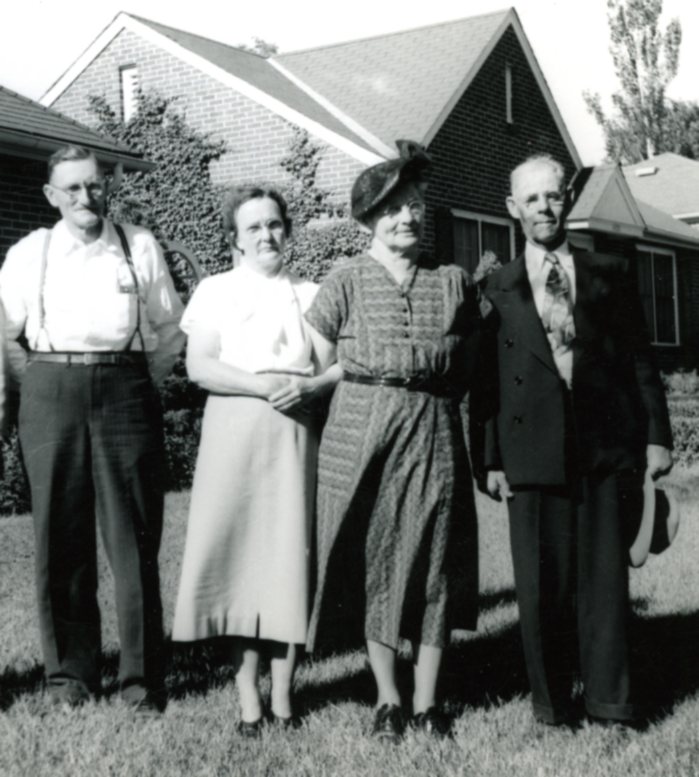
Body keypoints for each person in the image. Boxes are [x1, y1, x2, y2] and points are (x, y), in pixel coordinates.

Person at [470, 154, 673, 727]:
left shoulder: (610, 272)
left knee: (605, 582)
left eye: (553, 195)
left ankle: (611, 703)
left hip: (606, 447)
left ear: (568, 200)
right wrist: (489, 459)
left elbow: (640, 360)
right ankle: (553, 706)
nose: (544, 207)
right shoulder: (496, 288)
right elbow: (484, 385)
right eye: (531, 198)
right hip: (529, 453)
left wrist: (656, 437)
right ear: (512, 207)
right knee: (542, 588)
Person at [304, 141, 481, 741]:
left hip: (433, 427)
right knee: (375, 557)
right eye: (391, 209)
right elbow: (321, 364)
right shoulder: (344, 280)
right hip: (363, 429)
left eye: (414, 205)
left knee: (435, 559)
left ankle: (427, 704)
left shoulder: (452, 282)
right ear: (367, 220)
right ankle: (388, 699)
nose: (407, 217)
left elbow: (468, 366)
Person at [0, 144, 184, 713]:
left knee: (135, 539)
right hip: (51, 389)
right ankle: (69, 679)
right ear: (51, 195)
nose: (86, 197)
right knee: (60, 536)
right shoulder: (31, 252)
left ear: (108, 187)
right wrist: (40, 380)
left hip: (126, 392)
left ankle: (141, 682)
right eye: (73, 188)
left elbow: (170, 329)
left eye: (95, 185)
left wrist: (131, 377)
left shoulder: (139, 245)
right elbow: (5, 334)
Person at [172, 185, 340, 735]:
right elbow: (200, 366)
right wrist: (264, 385)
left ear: (286, 230)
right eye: (253, 227)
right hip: (234, 429)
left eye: (274, 224)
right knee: (238, 564)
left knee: (289, 559)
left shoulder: (310, 293)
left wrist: (309, 387)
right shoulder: (215, 290)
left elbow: (329, 368)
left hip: (295, 432)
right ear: (235, 240)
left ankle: (285, 696)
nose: (266, 235)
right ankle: (248, 697)